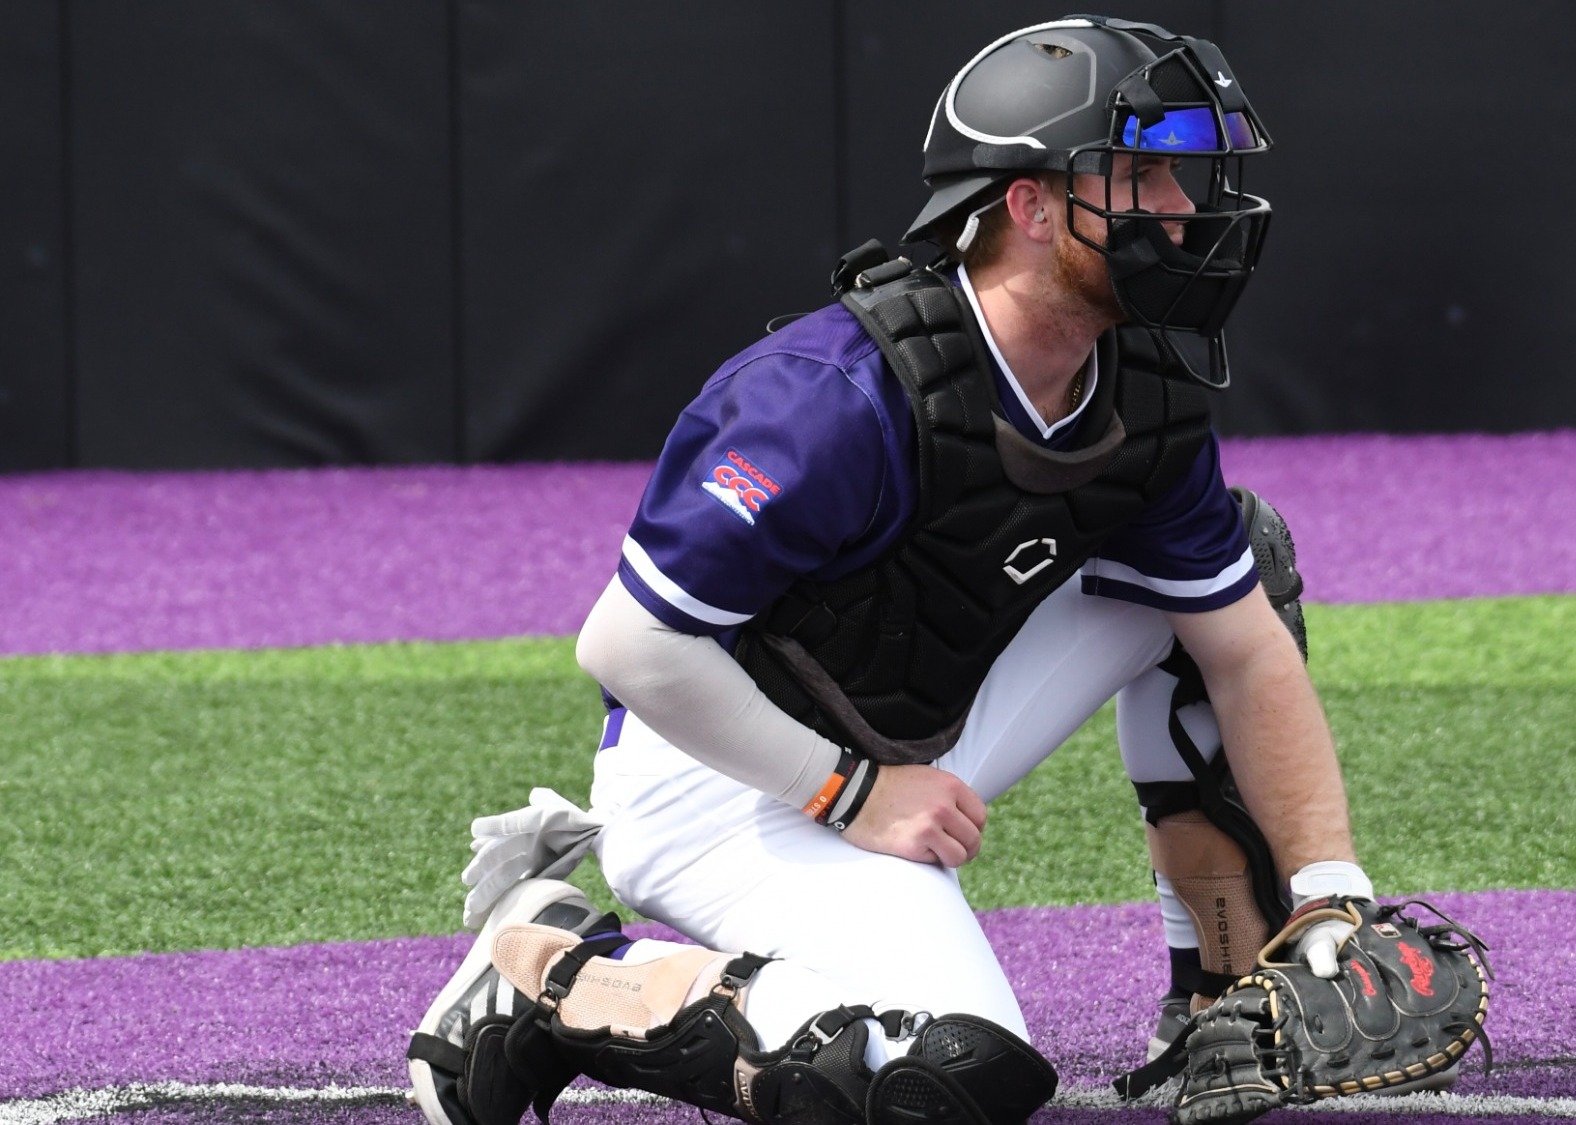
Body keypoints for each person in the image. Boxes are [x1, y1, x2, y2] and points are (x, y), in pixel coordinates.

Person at [406, 16, 1377, 1125]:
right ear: (1027, 201)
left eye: (1179, 174)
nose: (1177, 206)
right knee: (952, 1075)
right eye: (1139, 171)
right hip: (718, 780)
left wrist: (1330, 892)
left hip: (911, 724)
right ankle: (549, 979)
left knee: (1228, 571)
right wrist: (850, 793)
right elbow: (627, 648)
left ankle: (1220, 989)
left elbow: (1243, 649)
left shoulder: (1137, 387)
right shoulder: (828, 395)